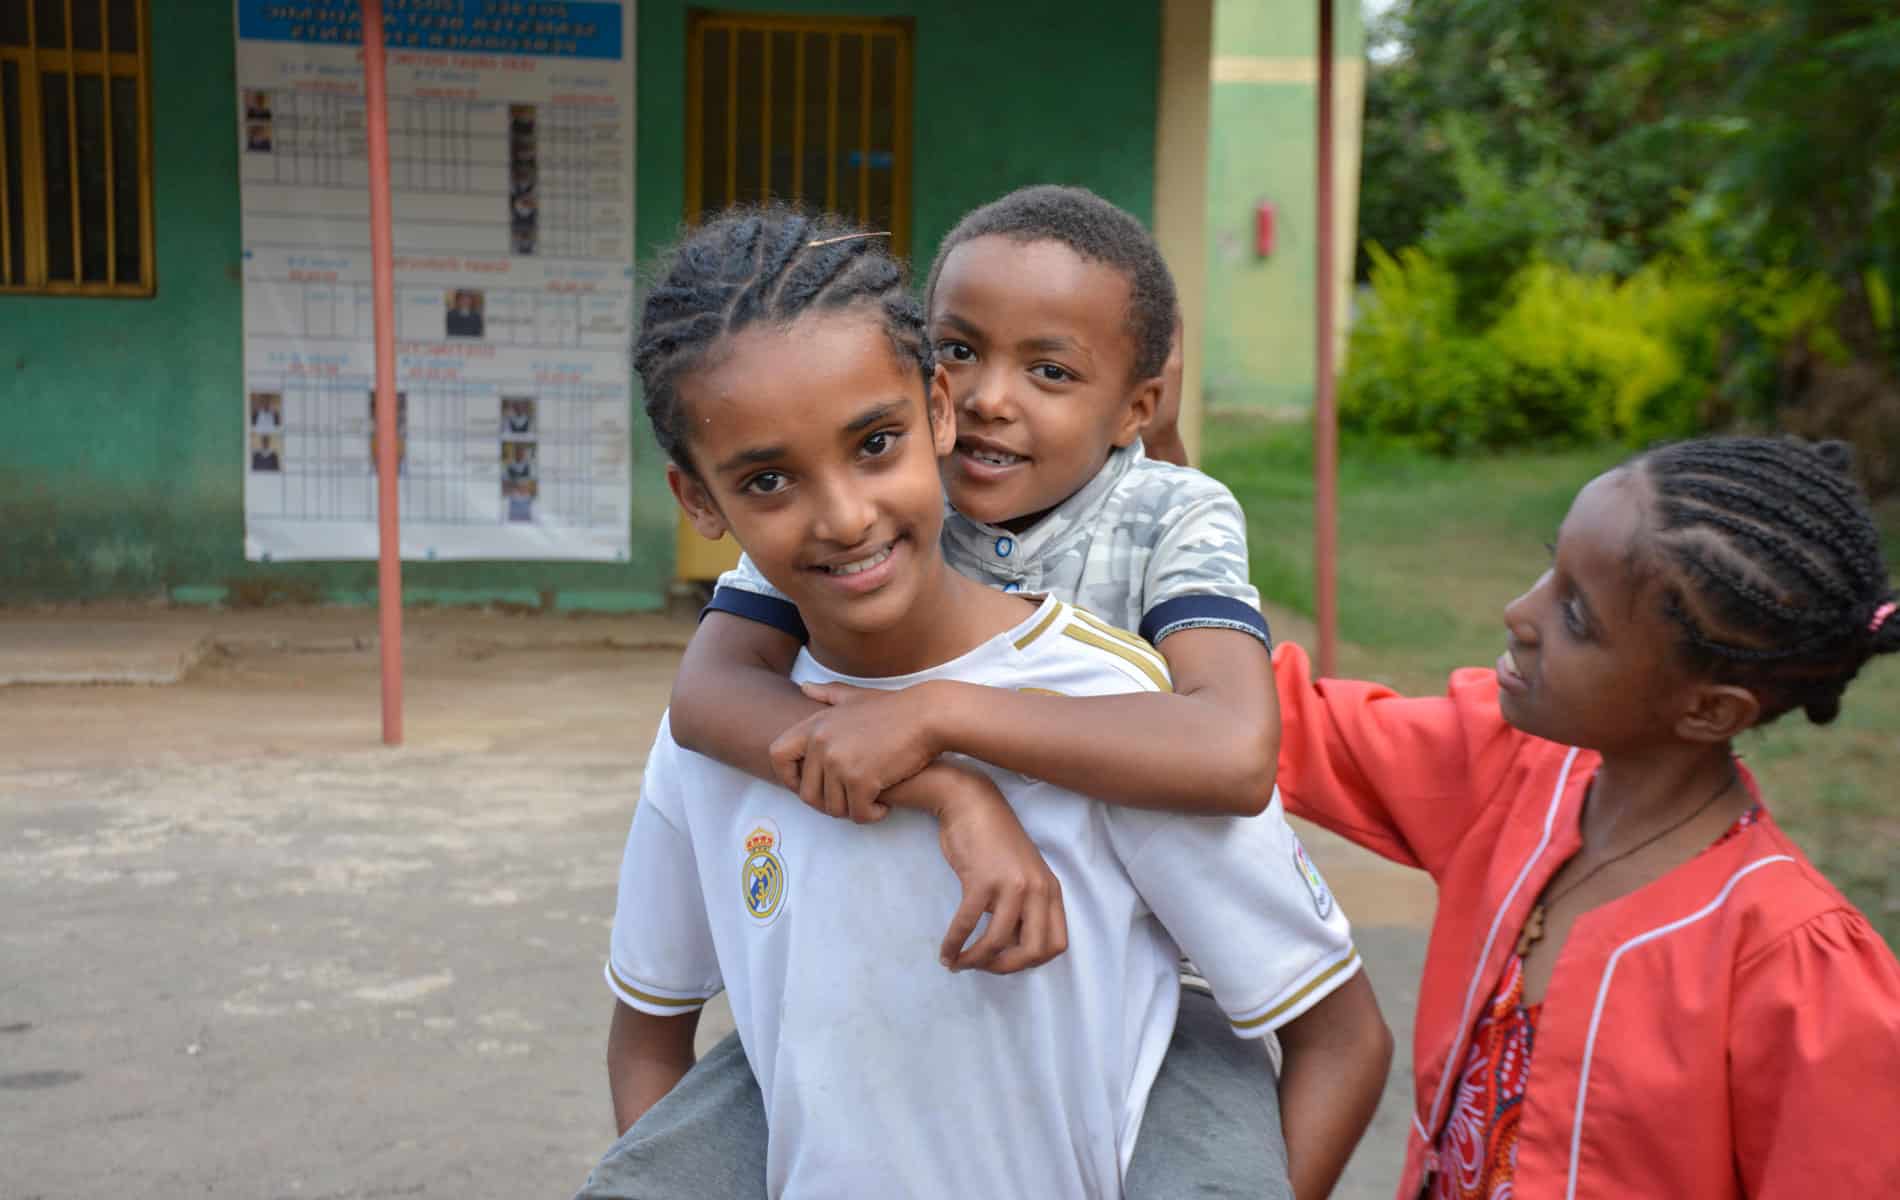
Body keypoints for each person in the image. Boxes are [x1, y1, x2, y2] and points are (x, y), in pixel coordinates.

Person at [591, 186, 1391, 1200]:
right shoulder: (742, 706)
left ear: (923, 417)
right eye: (766, 482)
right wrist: (950, 790)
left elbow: (1234, 760)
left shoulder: (1142, 595)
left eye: (875, 445)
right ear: (699, 500)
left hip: (1146, 1004)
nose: (842, 516)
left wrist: (941, 720)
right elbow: (700, 708)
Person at [1270, 435, 1900, 1198]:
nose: (1520, 612)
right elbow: (1270, 720)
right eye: (1550, 565)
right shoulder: (1506, 773)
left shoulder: (1796, 971)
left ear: (1707, 709)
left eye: (1577, 613)